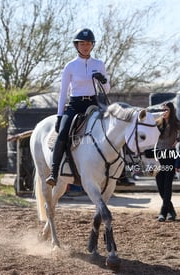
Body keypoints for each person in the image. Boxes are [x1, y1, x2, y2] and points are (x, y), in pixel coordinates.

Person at [46, 28, 110, 187]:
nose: (85, 46)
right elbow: (63, 93)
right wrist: (60, 115)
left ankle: (118, 171)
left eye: (88, 43)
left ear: (92, 45)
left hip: (93, 105)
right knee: (62, 133)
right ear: (76, 45)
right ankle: (54, 172)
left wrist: (102, 80)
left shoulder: (99, 64)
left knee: (112, 130)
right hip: (75, 104)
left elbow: (107, 89)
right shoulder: (70, 66)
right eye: (82, 43)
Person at [154, 102, 180, 222]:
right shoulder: (157, 123)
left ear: (171, 111)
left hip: (170, 156)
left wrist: (178, 139)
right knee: (160, 186)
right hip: (158, 157)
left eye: (166, 110)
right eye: (162, 110)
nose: (164, 112)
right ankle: (171, 211)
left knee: (167, 185)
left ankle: (163, 212)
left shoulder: (176, 123)